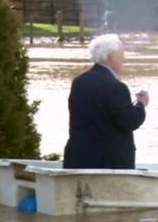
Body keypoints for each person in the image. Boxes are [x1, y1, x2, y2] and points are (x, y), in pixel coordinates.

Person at [63, 34, 149, 169]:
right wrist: (141, 104)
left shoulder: (79, 82)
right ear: (111, 57)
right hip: (108, 163)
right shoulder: (116, 87)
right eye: (121, 55)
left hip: (78, 157)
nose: (124, 60)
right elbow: (129, 121)